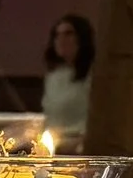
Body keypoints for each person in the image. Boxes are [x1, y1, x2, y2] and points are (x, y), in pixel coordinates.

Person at [41, 13, 95, 151]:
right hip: (54, 145)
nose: (61, 40)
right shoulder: (54, 76)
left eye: (68, 34)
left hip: (80, 145)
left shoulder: (93, 77)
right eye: (57, 35)